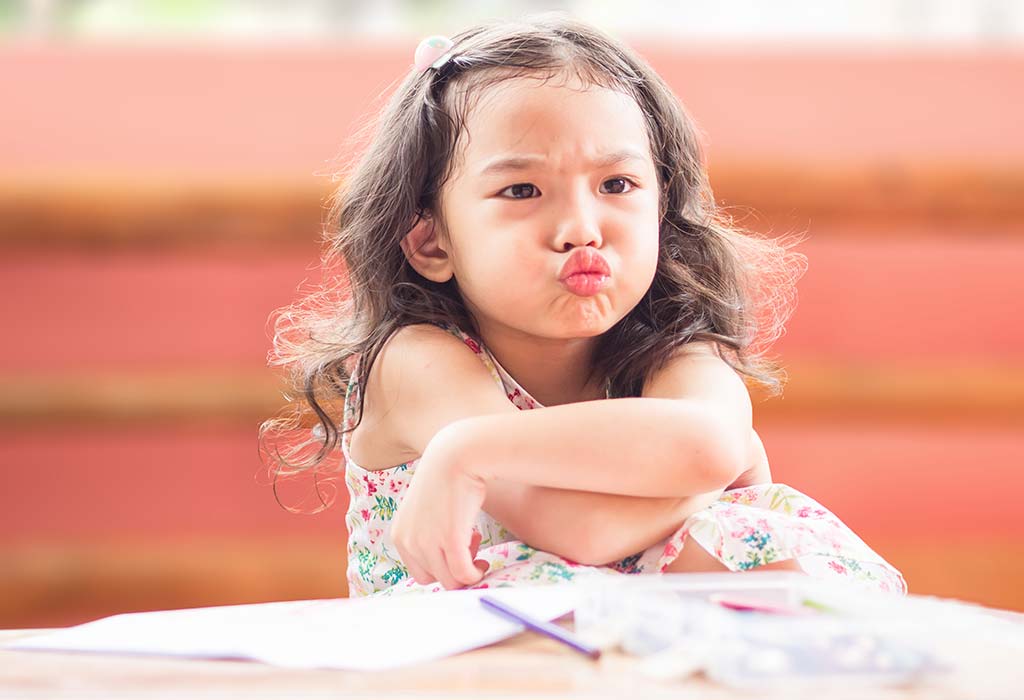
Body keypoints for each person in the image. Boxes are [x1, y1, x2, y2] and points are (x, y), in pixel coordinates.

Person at [260, 13, 906, 598]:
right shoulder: (417, 360)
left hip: (628, 646)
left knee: (761, 551)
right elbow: (586, 530)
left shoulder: (681, 350)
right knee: (704, 536)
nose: (580, 227)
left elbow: (707, 444)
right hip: (461, 656)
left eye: (617, 184)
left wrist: (471, 453)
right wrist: (467, 448)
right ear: (432, 242)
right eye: (521, 189)